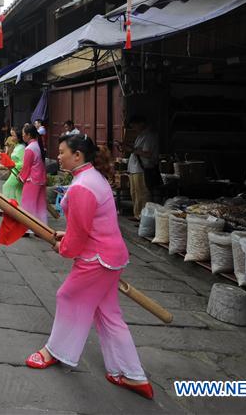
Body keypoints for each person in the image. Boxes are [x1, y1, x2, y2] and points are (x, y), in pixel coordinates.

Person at [25, 134, 152, 400]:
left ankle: (55, 351)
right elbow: (88, 224)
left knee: (67, 297)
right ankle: (132, 374)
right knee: (108, 314)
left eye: (62, 152)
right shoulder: (93, 178)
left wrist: (64, 247)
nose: (58, 156)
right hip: (109, 255)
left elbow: (80, 233)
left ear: (77, 155)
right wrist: (67, 238)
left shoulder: (82, 185)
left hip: (97, 259)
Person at [120, 115, 159, 221]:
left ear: (141, 124)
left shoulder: (149, 136)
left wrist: (132, 150)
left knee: (142, 194)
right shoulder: (140, 135)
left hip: (141, 169)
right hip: (134, 169)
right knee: (135, 193)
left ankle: (144, 217)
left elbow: (147, 154)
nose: (133, 128)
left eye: (134, 125)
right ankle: (137, 215)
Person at [19, 124, 48, 225]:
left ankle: (28, 226)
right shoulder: (37, 145)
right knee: (40, 204)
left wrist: (21, 177)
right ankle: (41, 225)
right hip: (40, 178)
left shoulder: (29, 148)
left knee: (28, 204)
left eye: (23, 134)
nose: (22, 136)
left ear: (28, 135)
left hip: (32, 179)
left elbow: (26, 167)